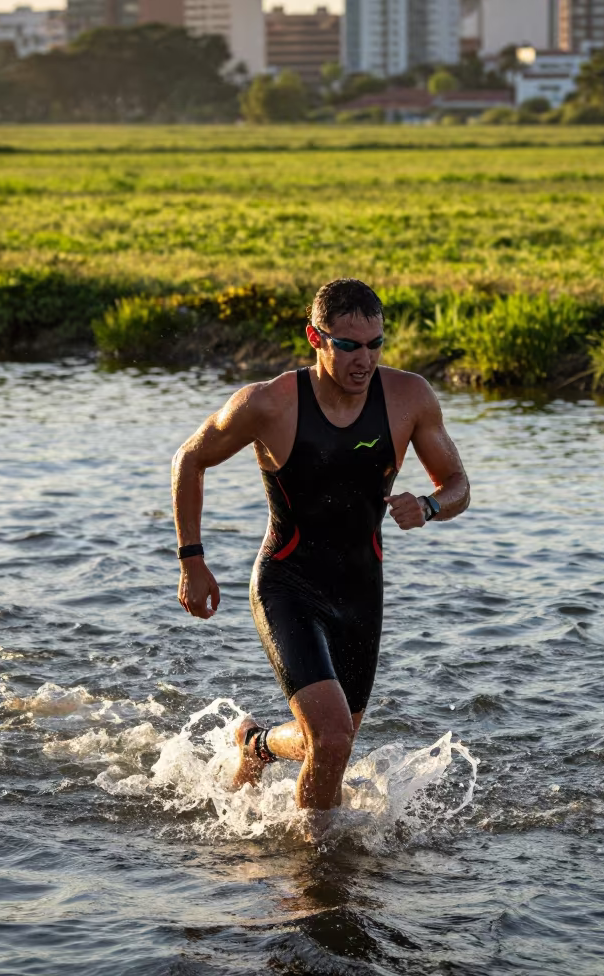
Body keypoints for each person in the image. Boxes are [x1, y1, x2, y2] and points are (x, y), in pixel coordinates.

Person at [171, 279, 469, 810]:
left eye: (376, 344)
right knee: (331, 739)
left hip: (360, 589)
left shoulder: (409, 398)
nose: (365, 359)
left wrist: (427, 506)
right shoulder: (270, 404)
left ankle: (256, 745)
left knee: (333, 742)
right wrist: (192, 561)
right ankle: (317, 872)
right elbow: (189, 459)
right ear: (315, 337)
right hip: (288, 582)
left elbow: (458, 487)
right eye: (349, 345)